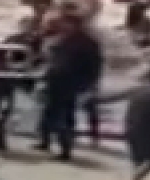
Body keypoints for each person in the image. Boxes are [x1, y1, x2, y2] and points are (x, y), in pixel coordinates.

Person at [37, 12, 103, 161]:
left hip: (71, 83)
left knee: (65, 117)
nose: (63, 26)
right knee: (48, 112)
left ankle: (65, 149)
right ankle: (44, 140)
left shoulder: (87, 43)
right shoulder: (60, 39)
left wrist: (90, 85)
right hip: (54, 80)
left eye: (66, 23)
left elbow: (95, 66)